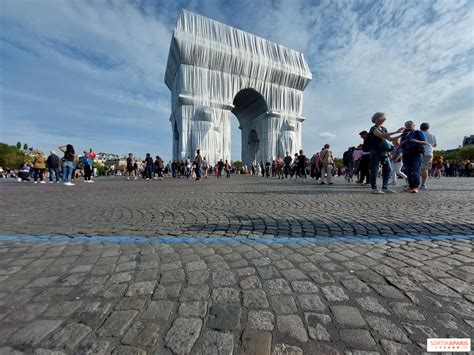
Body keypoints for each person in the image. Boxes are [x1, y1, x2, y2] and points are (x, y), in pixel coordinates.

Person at [368, 112, 404, 194]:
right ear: (377, 119)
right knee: (375, 170)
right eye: (383, 118)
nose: (384, 119)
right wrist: (396, 131)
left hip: (384, 152)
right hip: (375, 151)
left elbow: (390, 139)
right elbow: (381, 135)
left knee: (388, 169)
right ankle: (374, 188)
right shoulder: (373, 128)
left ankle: (385, 187)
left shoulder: (384, 128)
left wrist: (401, 135)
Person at [400, 121, 428, 193]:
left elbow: (425, 142)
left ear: (414, 125)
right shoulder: (404, 134)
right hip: (406, 153)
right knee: (408, 171)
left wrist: (415, 141)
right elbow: (401, 143)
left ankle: (415, 187)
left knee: (415, 170)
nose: (408, 126)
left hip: (416, 153)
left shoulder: (417, 132)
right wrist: (405, 141)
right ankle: (410, 186)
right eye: (407, 125)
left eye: (410, 125)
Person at [419, 122, 437, 189]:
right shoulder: (432, 135)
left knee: (417, 168)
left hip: (421, 152)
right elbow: (435, 145)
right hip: (429, 153)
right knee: (425, 169)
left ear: (420, 127)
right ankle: (423, 184)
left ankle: (413, 183)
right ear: (428, 128)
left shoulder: (419, 133)